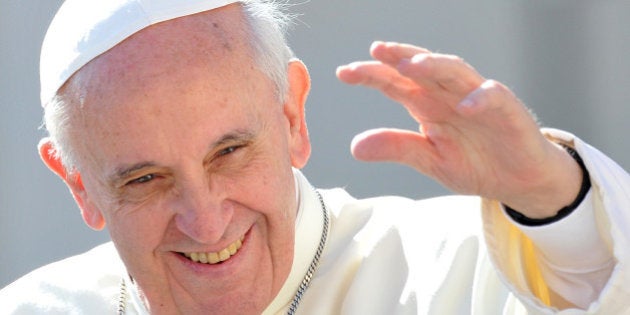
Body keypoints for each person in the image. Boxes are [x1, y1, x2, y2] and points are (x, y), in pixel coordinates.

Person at [1, 0, 628, 314]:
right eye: (145, 179)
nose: (206, 221)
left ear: (293, 115)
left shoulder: (457, 267)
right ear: (77, 184)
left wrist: (555, 204)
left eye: (229, 152)